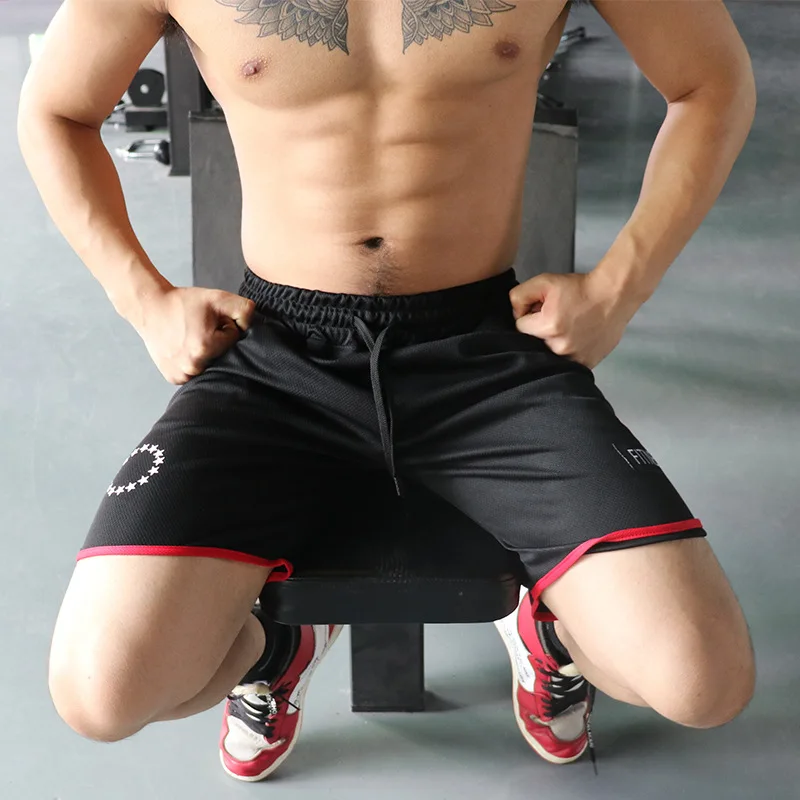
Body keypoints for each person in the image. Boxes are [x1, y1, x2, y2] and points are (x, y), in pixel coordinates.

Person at [18, 0, 756, 783]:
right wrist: (144, 301)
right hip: (277, 359)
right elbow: (56, 109)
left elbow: (711, 80)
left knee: (703, 682)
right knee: (99, 695)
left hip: (482, 354)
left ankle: (549, 636)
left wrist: (620, 288)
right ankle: (275, 650)